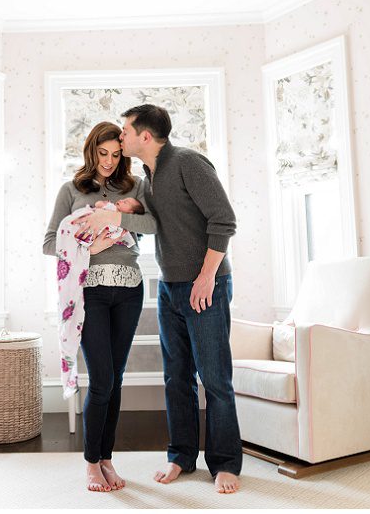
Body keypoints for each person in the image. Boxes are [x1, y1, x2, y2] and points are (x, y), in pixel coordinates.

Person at [76, 104, 241, 494]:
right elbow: (152, 223)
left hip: (206, 286)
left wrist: (206, 278)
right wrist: (121, 210)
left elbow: (224, 220)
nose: (120, 136)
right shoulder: (148, 178)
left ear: (144, 137)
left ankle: (225, 463)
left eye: (125, 131)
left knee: (215, 379)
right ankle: (181, 456)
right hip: (170, 288)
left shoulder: (188, 163)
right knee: (176, 378)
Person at [43, 121, 157, 493]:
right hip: (89, 292)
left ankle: (107, 457)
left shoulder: (135, 186)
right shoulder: (71, 189)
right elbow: (50, 242)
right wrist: (88, 249)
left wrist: (117, 218)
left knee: (116, 378)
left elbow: (154, 224)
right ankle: (92, 462)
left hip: (129, 288)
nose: (108, 162)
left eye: (115, 154)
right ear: (91, 151)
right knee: (103, 379)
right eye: (101, 153)